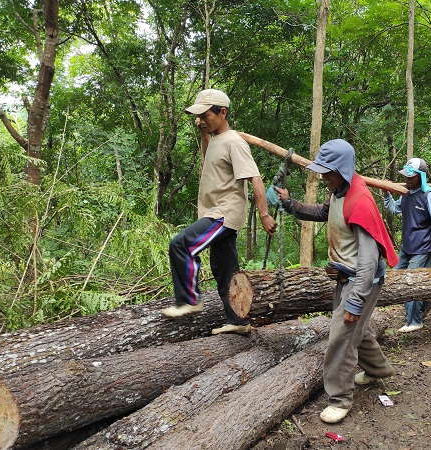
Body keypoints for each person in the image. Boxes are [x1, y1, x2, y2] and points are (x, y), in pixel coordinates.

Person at [275, 139, 396, 424]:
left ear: (342, 169)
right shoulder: (339, 191)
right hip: (346, 276)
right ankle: (378, 369)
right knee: (356, 330)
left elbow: (368, 261)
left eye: (328, 172)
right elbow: (322, 212)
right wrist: (290, 204)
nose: (323, 176)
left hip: (362, 280)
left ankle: (340, 398)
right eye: (322, 171)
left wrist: (355, 300)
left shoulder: (360, 201)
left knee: (341, 338)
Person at [161, 89, 277, 336]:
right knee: (224, 270)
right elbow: (208, 158)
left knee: (182, 245)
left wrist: (265, 214)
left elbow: (255, 178)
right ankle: (237, 320)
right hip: (214, 211)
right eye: (199, 116)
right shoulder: (215, 140)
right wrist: (204, 131)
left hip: (223, 214)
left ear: (222, 112)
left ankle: (189, 301)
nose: (201, 120)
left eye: (205, 115)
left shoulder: (235, 142)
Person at [384, 158, 431, 333]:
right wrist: (386, 193)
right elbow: (394, 209)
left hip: (424, 247)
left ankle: (414, 320)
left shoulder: (429, 196)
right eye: (406, 176)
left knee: (411, 281)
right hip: (407, 247)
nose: (407, 180)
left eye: (411, 177)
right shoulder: (405, 194)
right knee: (395, 276)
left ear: (421, 177)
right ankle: (426, 301)